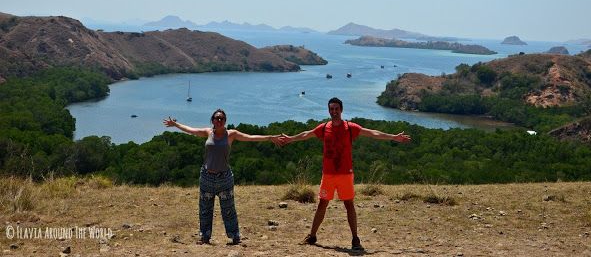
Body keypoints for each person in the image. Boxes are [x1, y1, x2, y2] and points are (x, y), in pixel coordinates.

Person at [280, 97, 411, 251]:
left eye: (336, 109)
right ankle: (312, 236)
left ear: (341, 110)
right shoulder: (323, 128)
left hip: (345, 175)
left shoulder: (350, 127)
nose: (334, 112)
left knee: (349, 205)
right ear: (329, 110)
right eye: (331, 109)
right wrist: (290, 139)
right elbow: (306, 134)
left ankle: (355, 239)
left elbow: (372, 133)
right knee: (322, 204)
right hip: (328, 174)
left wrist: (393, 137)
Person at [163, 109, 283, 245]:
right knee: (205, 209)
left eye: (222, 118)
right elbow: (191, 130)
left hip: (224, 178)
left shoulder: (231, 134)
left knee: (229, 209)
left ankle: (235, 236)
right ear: (212, 120)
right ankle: (204, 236)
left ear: (225, 121)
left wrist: (269, 137)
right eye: (216, 118)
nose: (219, 121)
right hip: (207, 176)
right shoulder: (208, 133)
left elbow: (251, 137)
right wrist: (176, 125)